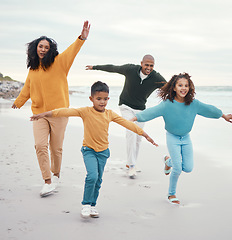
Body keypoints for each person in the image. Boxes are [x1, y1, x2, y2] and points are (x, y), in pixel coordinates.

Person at [30, 81, 158, 218]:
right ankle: (85, 204)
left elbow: (127, 123)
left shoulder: (110, 114)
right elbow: (65, 111)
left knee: (98, 180)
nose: (102, 102)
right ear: (91, 99)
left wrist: (144, 134)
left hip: (103, 152)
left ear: (108, 99)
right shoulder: (85, 112)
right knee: (92, 176)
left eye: (105, 99)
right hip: (89, 150)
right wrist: (44, 114)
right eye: (98, 99)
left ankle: (92, 205)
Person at [12, 21, 91, 197]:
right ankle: (47, 181)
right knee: (40, 145)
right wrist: (19, 101)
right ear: (35, 48)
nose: (43, 49)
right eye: (40, 46)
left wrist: (81, 38)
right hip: (39, 114)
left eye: (46, 47)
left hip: (59, 114)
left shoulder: (59, 63)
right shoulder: (33, 69)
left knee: (56, 149)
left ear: (50, 49)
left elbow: (72, 51)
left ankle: (56, 175)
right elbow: (27, 88)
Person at [132, 73, 232, 205]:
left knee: (187, 168)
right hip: (172, 137)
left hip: (186, 138)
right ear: (174, 88)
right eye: (180, 85)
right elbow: (151, 112)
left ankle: (167, 161)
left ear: (190, 88)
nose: (184, 88)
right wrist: (135, 118)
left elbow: (208, 109)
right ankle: (171, 194)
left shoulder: (193, 104)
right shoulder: (167, 105)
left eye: (186, 85)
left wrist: (223, 115)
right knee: (178, 168)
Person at [85, 55, 166, 179]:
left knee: (139, 137)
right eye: (146, 65)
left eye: (151, 66)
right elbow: (113, 68)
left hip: (140, 109)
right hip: (126, 106)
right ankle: (132, 165)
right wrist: (95, 67)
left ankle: (131, 163)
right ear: (141, 63)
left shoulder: (156, 77)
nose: (149, 68)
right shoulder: (130, 69)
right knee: (131, 132)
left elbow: (170, 88)